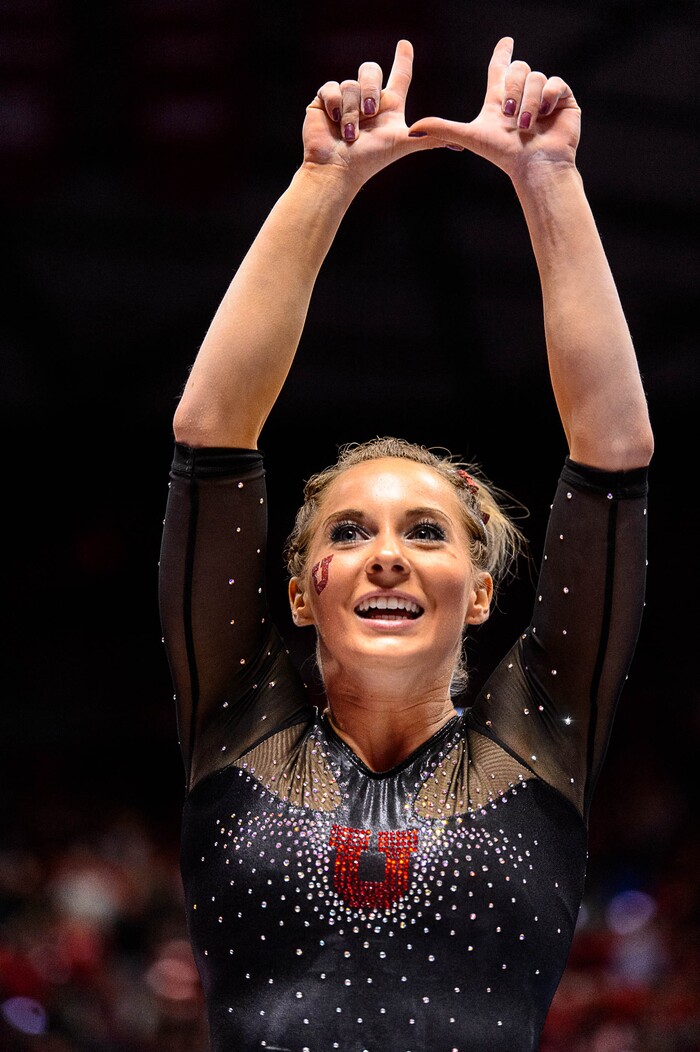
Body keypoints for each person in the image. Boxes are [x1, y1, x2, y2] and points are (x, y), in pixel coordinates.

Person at [158, 36, 653, 1052]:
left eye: (424, 531)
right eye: (350, 529)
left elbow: (612, 453)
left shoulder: (537, 739)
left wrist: (548, 179)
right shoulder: (241, 720)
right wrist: (321, 183)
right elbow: (212, 434)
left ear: (477, 592)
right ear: (302, 590)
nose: (387, 553)